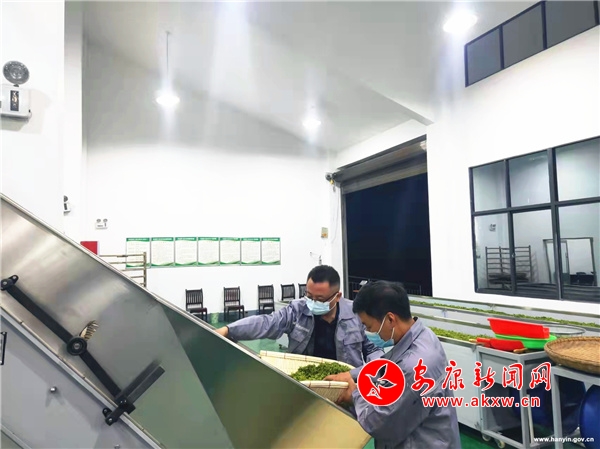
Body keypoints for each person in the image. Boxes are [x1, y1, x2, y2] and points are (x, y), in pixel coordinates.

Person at [325, 281, 461, 449]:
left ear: (390, 319)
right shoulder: (422, 335)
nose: (369, 333)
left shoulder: (414, 366)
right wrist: (352, 375)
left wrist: (354, 396)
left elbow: (380, 421)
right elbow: (389, 365)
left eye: (369, 326)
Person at [215, 265, 383, 370]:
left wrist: (378, 367)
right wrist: (229, 330)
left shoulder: (354, 313)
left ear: (337, 296)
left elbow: (369, 348)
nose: (313, 302)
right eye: (309, 296)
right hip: (306, 379)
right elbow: (267, 323)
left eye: (320, 299)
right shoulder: (297, 310)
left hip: (345, 383)